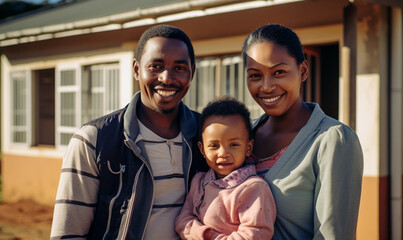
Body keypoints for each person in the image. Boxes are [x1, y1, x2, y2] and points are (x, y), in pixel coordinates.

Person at [50, 24, 209, 240]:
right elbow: (68, 234)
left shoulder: (207, 137)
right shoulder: (93, 140)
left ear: (192, 73)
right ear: (136, 69)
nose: (167, 78)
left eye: (179, 68)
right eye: (156, 66)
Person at [242, 24, 364, 240]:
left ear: (303, 71)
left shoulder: (333, 139)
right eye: (255, 76)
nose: (267, 86)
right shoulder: (242, 137)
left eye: (279, 72)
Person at [175, 97, 276, 240]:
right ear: (202, 150)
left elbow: (255, 234)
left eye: (234, 145)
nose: (223, 153)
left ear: (248, 147)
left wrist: (209, 237)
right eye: (214, 146)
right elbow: (182, 222)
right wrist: (204, 234)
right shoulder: (198, 182)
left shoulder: (253, 189)